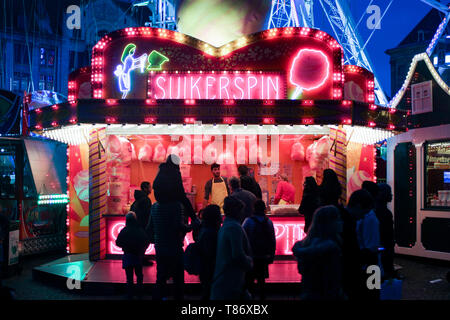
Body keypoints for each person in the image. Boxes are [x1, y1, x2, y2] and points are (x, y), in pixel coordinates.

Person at [292, 205, 344, 300]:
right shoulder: (332, 248)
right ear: (329, 223)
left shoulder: (305, 246)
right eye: (338, 219)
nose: (341, 223)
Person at [148, 195, 190, 300]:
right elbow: (179, 226)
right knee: (178, 279)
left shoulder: (154, 206)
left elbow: (149, 227)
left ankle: (159, 297)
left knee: (161, 277)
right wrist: (191, 227)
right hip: (174, 246)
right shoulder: (176, 206)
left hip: (160, 246)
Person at [211, 196, 253, 300]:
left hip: (223, 280)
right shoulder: (234, 228)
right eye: (241, 211)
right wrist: (249, 262)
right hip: (231, 280)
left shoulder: (226, 226)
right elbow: (237, 255)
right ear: (237, 211)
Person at [347, 189, 380, 300]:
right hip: (368, 264)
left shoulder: (350, 220)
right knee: (371, 293)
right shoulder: (370, 218)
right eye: (364, 212)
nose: (362, 216)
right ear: (358, 206)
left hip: (364, 264)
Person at [242, 200, 276, 300]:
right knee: (262, 281)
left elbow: (243, 237)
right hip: (264, 256)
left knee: (249, 281)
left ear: (254, 208)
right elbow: (272, 240)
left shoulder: (248, 221)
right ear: (264, 209)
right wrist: (272, 254)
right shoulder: (268, 222)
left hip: (251, 256)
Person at [153, 154, 198, 224]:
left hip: (159, 208)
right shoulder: (175, 173)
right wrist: (194, 218)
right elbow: (182, 195)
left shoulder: (160, 171)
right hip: (172, 209)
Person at [115, 212, 150, 299]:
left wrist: (126, 246)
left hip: (128, 255)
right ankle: (140, 293)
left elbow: (118, 242)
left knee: (129, 277)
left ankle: (130, 294)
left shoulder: (124, 230)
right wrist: (142, 250)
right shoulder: (140, 230)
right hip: (138, 255)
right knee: (139, 275)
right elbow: (146, 241)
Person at [195, 204, 222, 300]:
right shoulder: (213, 232)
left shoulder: (203, 230)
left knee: (207, 290)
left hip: (204, 267)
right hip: (211, 267)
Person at [375, 183, 396, 279]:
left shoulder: (375, 210)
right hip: (384, 246)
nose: (391, 195)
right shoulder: (386, 213)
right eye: (389, 193)